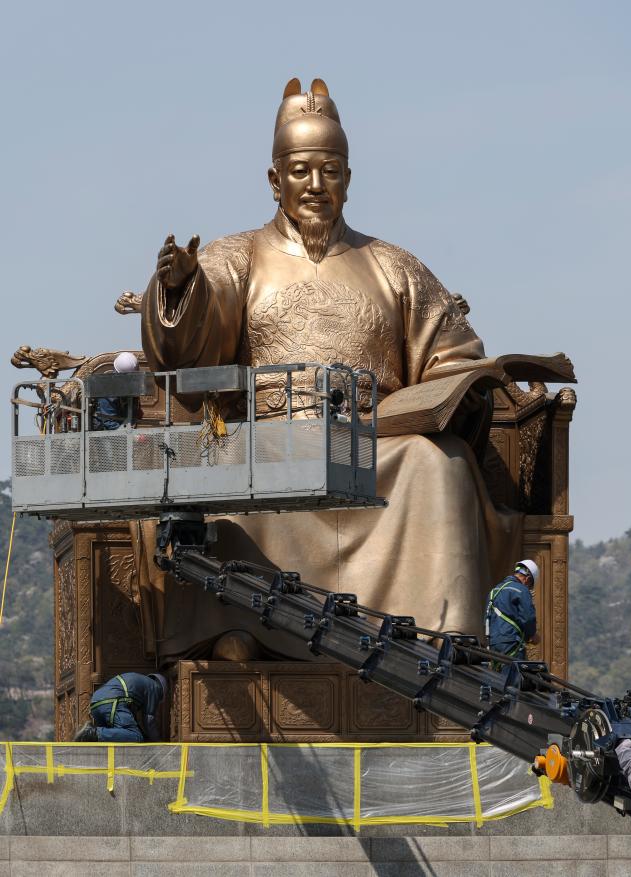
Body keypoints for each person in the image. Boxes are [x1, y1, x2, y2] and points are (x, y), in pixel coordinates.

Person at [136, 77, 523, 662]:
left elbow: (451, 351)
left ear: (348, 178)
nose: (316, 186)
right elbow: (193, 338)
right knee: (214, 468)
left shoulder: (394, 266)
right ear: (274, 180)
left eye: (331, 171)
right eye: (300, 171)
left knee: (438, 465)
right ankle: (239, 627)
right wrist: (180, 286)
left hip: (373, 448)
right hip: (269, 443)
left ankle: (442, 635)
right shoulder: (236, 257)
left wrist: (462, 385)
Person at [73, 672, 167, 742]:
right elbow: (149, 720)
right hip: (112, 702)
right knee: (135, 736)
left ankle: (89, 735)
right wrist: (159, 743)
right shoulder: (155, 687)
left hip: (95, 703)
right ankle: (91, 733)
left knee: (111, 738)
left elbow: (134, 722)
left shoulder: (141, 683)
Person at [485, 559, 540, 660]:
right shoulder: (522, 590)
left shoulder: (494, 590)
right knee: (512, 674)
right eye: (530, 586)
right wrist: (532, 635)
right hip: (511, 643)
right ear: (527, 579)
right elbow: (528, 618)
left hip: (493, 643)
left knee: (496, 675)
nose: (528, 588)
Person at [92, 351, 140, 430]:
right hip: (104, 434)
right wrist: (131, 435)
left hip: (121, 430)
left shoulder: (130, 388)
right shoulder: (107, 390)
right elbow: (108, 422)